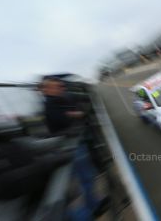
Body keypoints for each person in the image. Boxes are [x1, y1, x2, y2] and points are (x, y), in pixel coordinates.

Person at [40, 77, 110, 220]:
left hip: (74, 144)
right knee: (85, 178)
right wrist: (73, 114)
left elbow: (73, 113)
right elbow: (62, 120)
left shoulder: (57, 101)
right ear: (47, 89)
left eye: (60, 86)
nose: (60, 88)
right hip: (71, 146)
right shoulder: (50, 104)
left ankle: (94, 204)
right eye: (57, 87)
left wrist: (72, 113)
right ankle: (93, 207)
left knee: (86, 177)